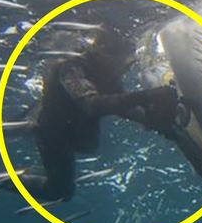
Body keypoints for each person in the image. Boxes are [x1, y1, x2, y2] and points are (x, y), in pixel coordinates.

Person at [26, 27, 179, 202]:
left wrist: (159, 123)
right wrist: (147, 96)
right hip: (53, 133)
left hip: (78, 132)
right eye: (126, 63)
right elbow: (92, 104)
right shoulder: (70, 67)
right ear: (105, 55)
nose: (126, 69)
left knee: (64, 187)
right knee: (59, 191)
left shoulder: (108, 73)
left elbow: (124, 107)